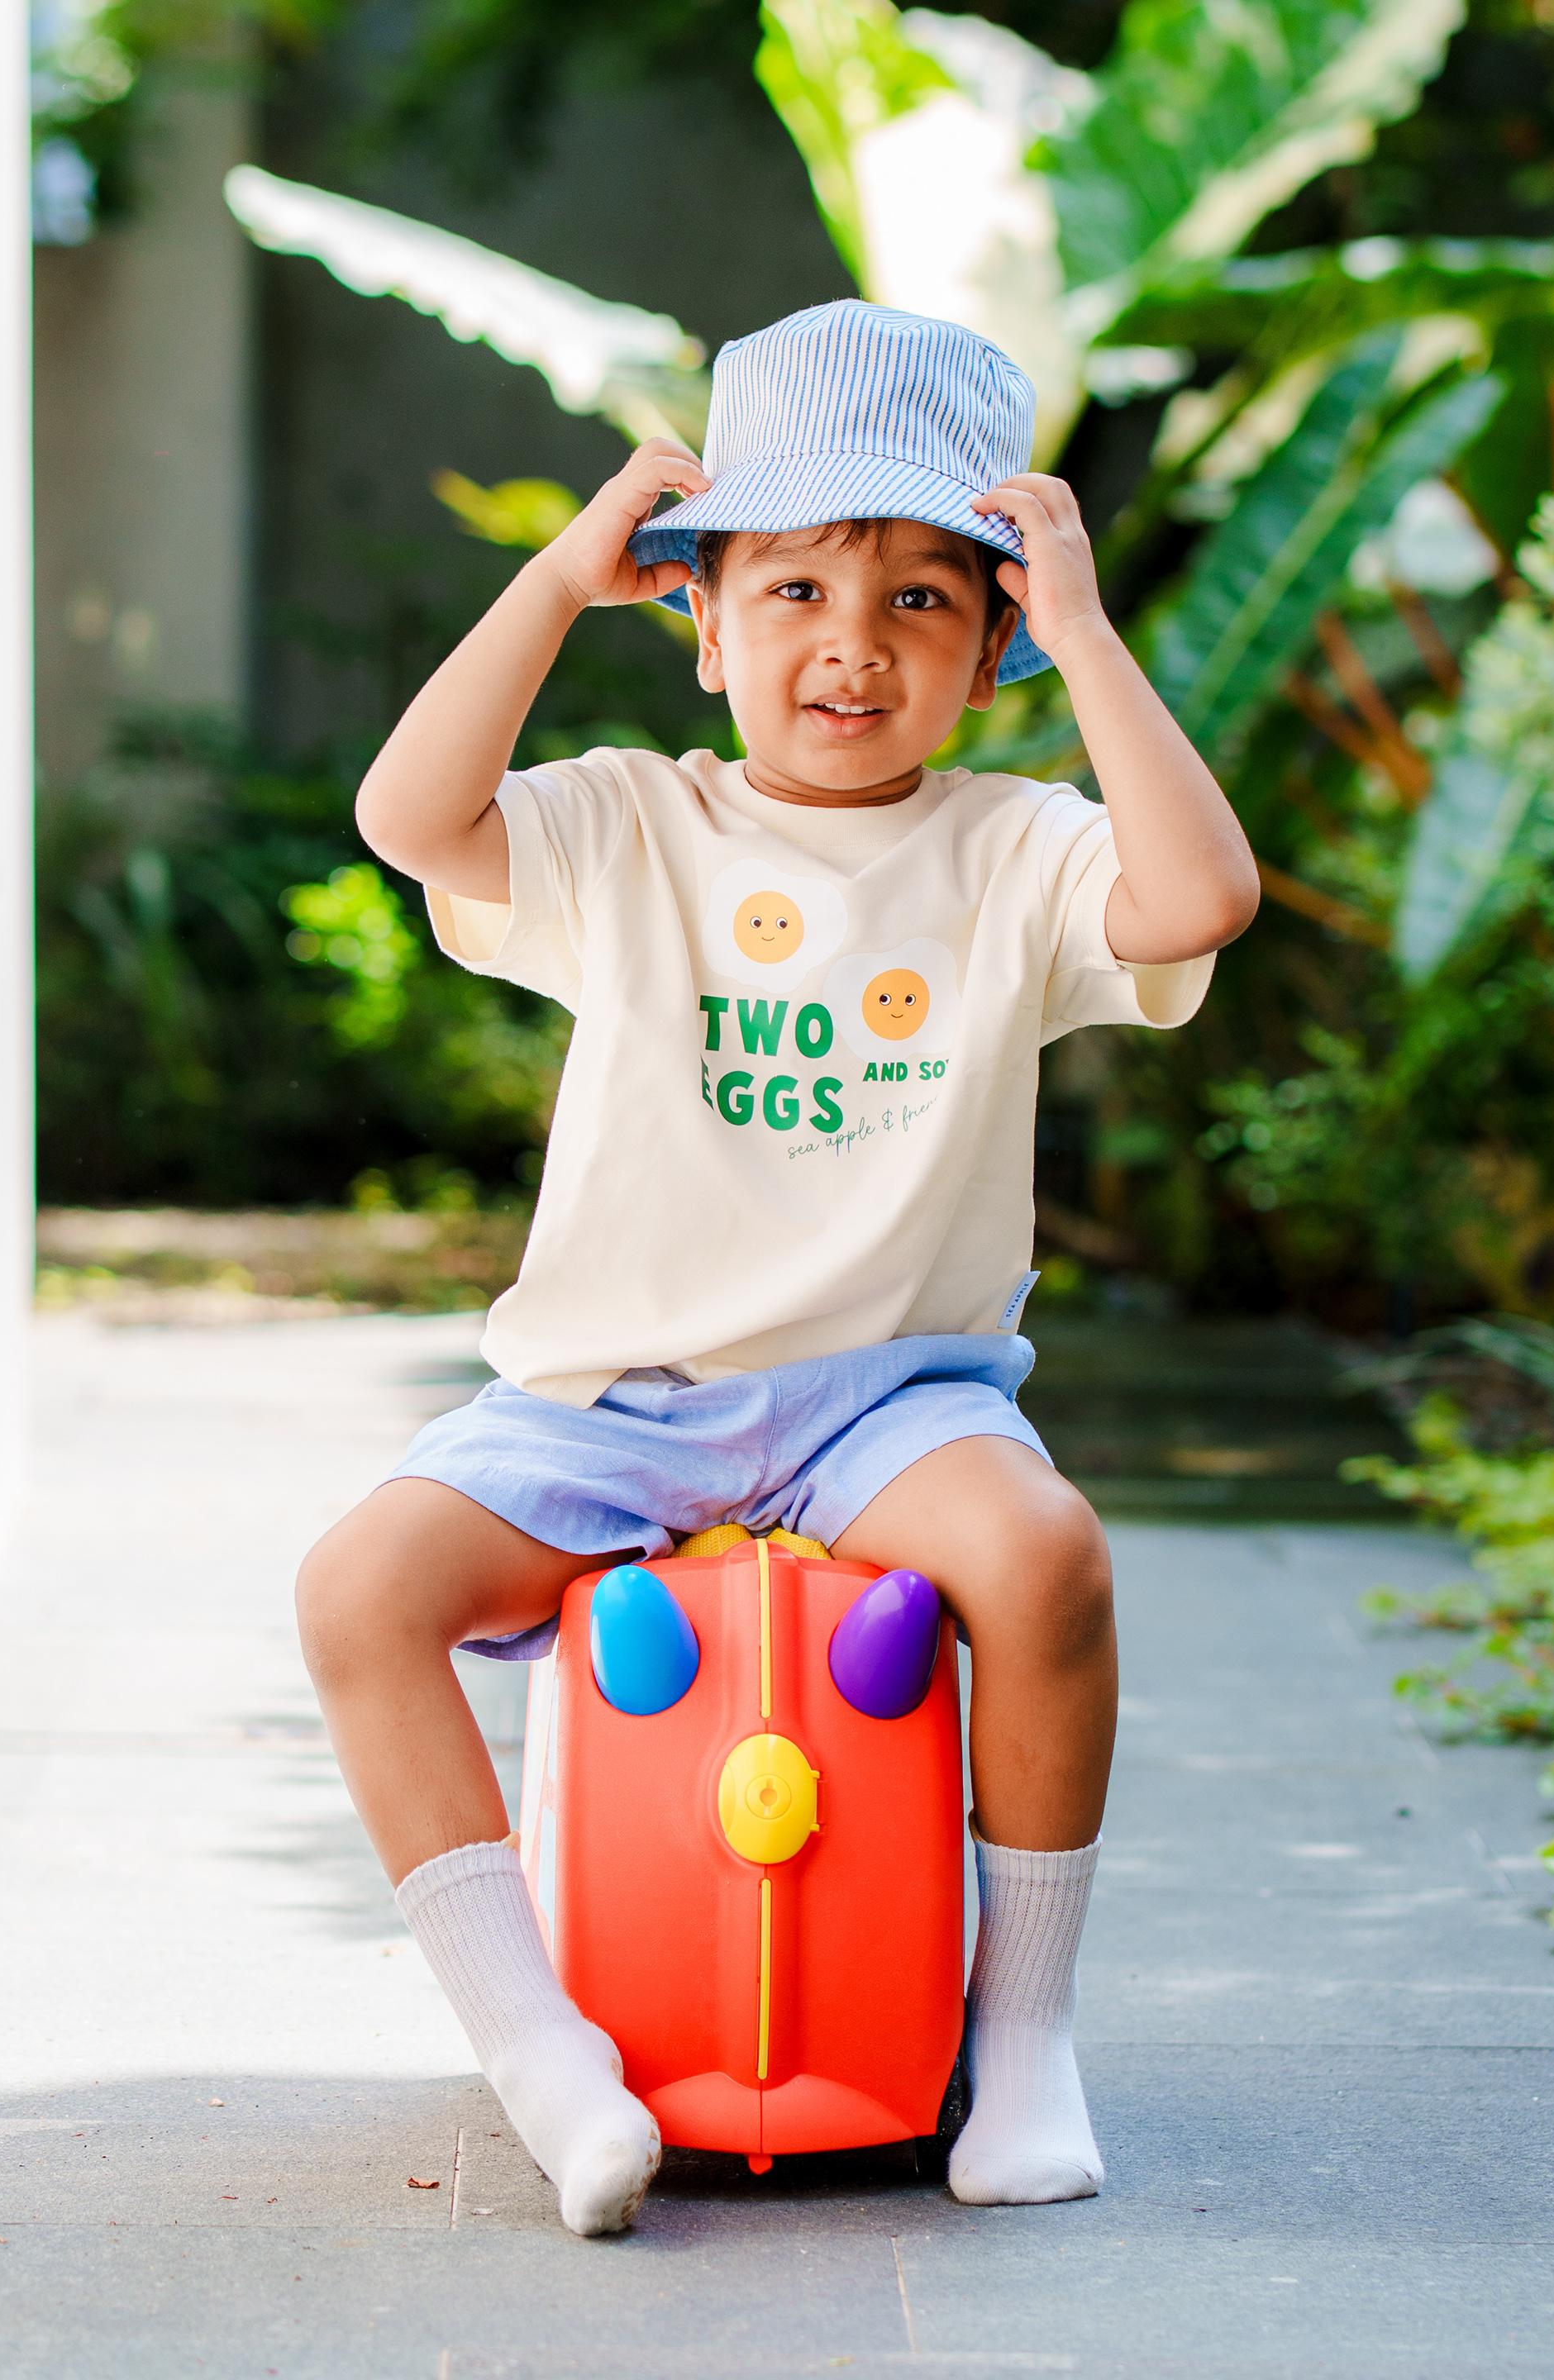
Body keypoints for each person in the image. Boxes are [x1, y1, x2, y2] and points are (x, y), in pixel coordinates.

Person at [295, 302, 1260, 2238]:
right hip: (614, 1399)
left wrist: (1088, 633)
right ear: (705, 619)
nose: (854, 642)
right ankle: (544, 2056)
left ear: (990, 646)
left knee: (1049, 1561)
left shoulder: (1019, 850)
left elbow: (1200, 898)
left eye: (924, 601)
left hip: (887, 1402)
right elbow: (410, 818)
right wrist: (558, 581)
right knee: (359, 1592)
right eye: (798, 586)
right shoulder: (627, 823)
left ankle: (1025, 2036)